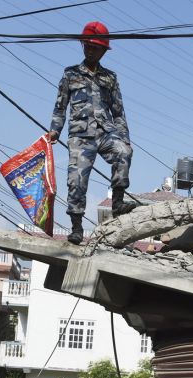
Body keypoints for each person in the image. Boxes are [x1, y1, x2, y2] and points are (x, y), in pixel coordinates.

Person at [47, 21, 133, 244]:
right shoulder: (70, 74)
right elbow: (60, 106)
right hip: (80, 136)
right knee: (76, 181)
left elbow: (118, 112)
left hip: (105, 132)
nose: (90, 50)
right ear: (83, 45)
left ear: (104, 50)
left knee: (124, 151)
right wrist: (54, 131)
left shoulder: (110, 78)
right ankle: (76, 227)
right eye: (87, 45)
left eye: (95, 47)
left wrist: (124, 138)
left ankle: (118, 204)